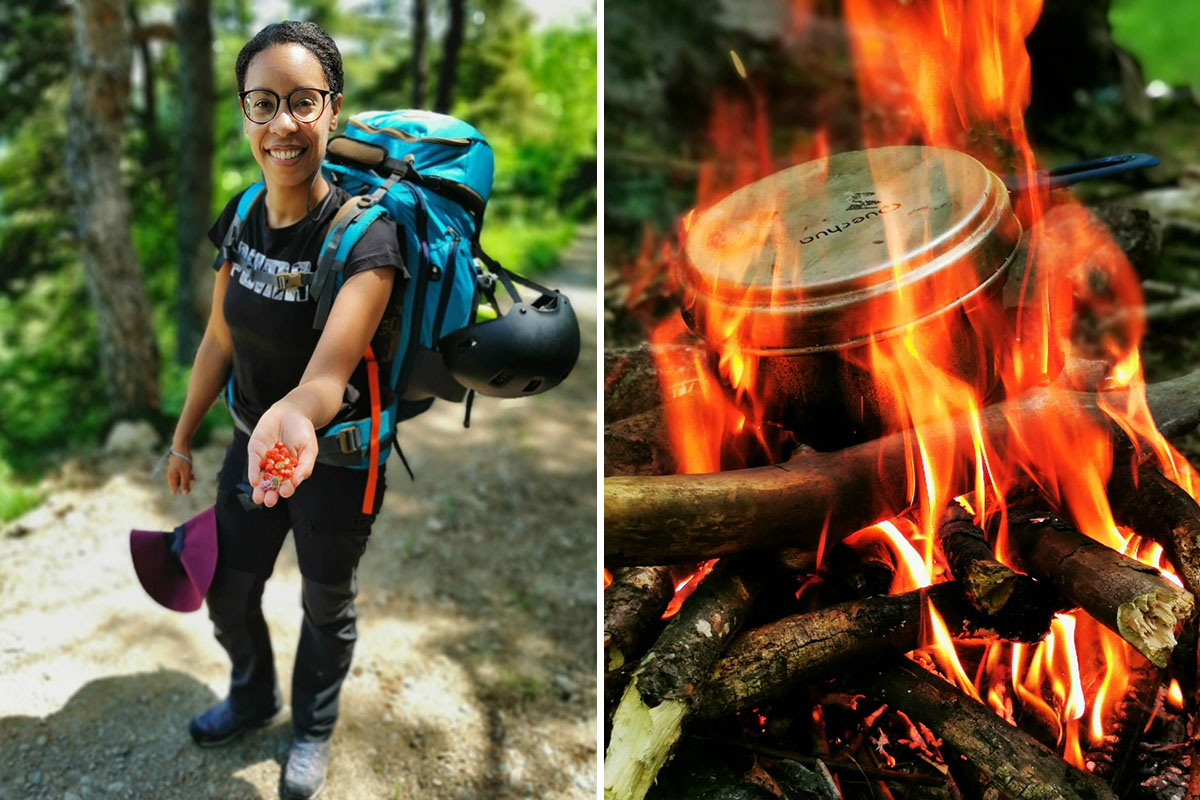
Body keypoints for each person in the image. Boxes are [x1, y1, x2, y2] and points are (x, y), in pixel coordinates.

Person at [164, 20, 402, 800]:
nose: (283, 124)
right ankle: (253, 693)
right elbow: (217, 339)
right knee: (228, 590)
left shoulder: (368, 239)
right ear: (244, 115)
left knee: (324, 603)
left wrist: (297, 415)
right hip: (248, 447)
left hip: (335, 460)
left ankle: (312, 729)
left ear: (333, 110)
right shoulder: (239, 218)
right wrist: (181, 436)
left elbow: (328, 376)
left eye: (303, 101)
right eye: (263, 104)